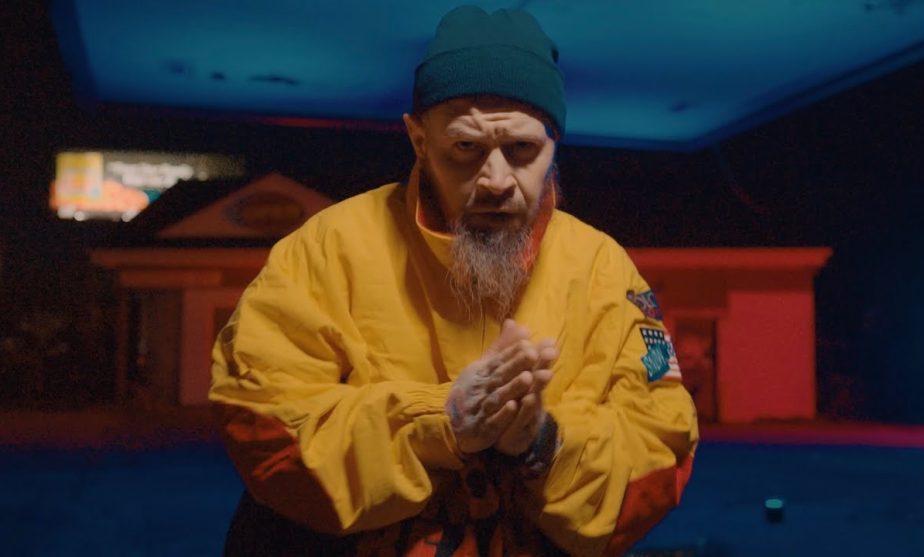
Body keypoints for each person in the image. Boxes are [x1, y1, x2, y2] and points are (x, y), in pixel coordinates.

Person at [210, 5, 698, 556]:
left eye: (522, 150)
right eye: (466, 148)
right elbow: (262, 422)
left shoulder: (603, 270)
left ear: (554, 143)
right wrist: (441, 421)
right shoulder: (325, 249)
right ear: (418, 139)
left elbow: (661, 447)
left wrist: (542, 442)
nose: (496, 180)